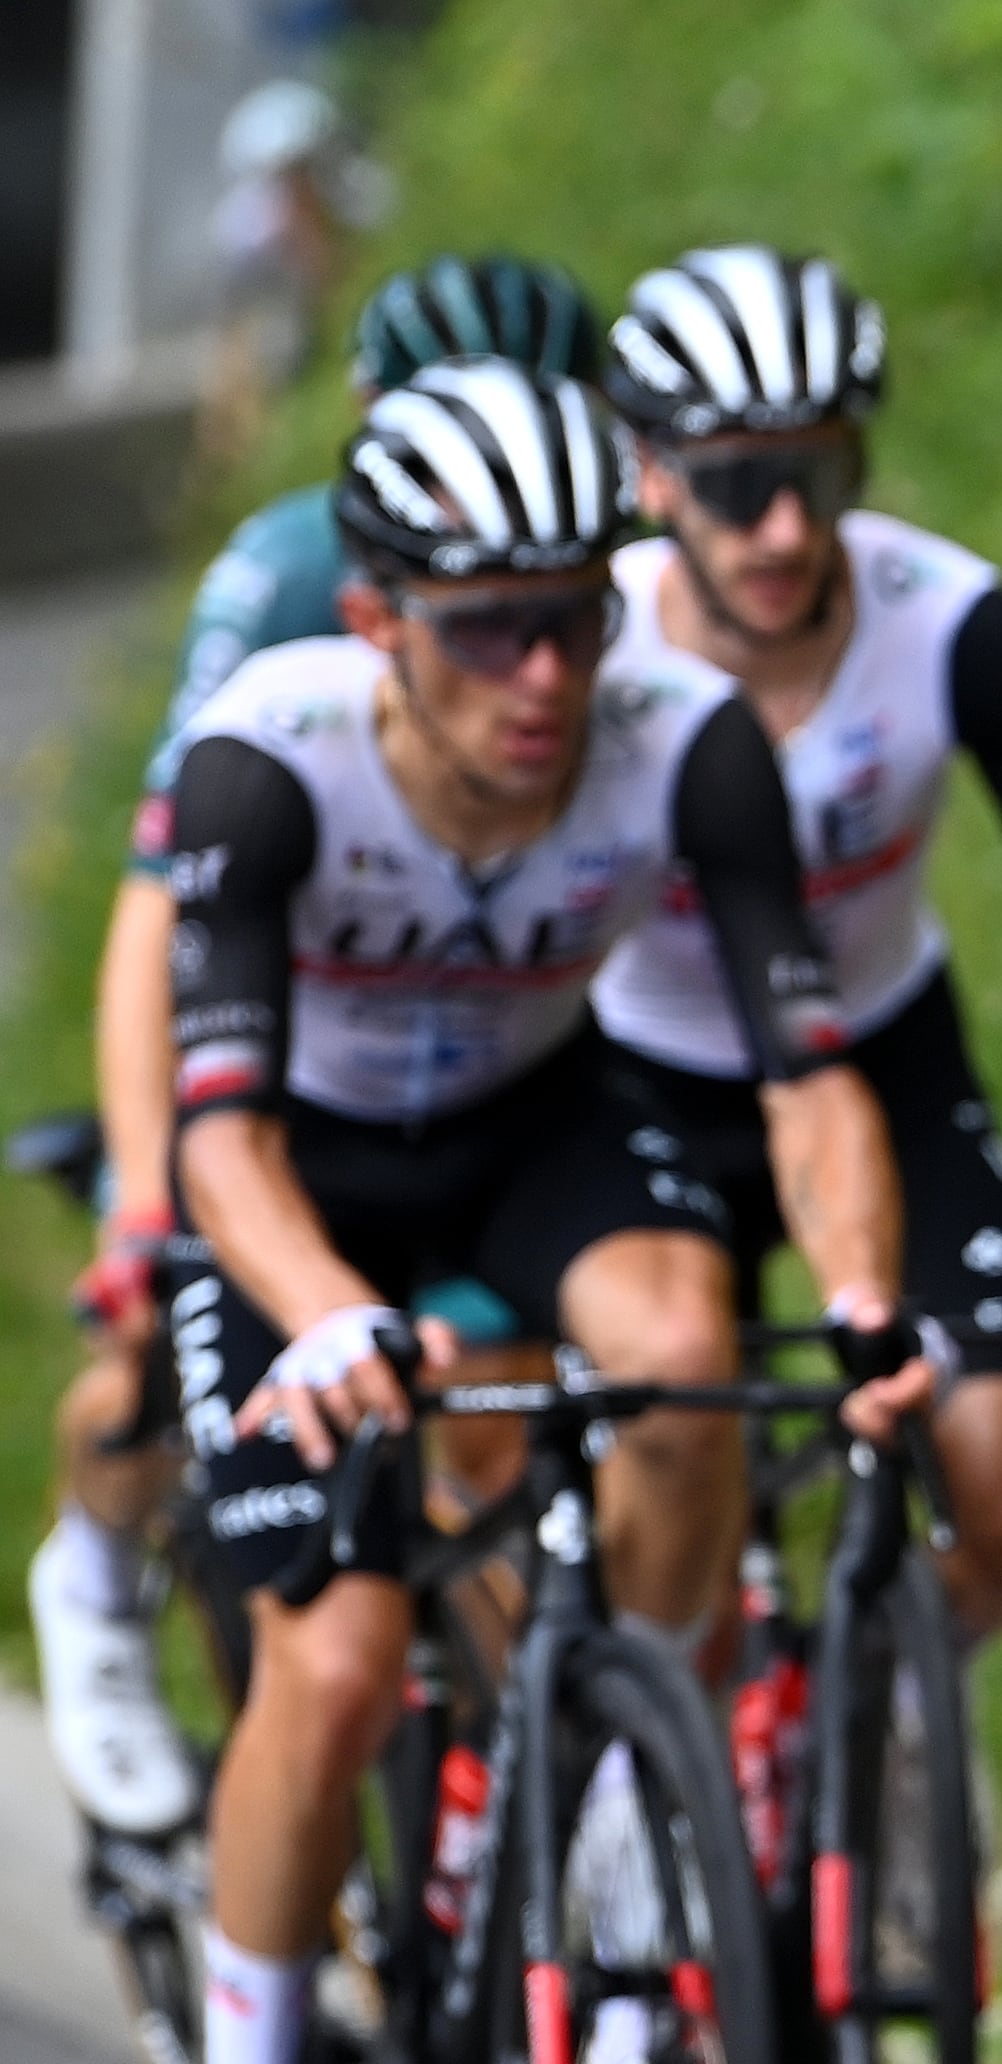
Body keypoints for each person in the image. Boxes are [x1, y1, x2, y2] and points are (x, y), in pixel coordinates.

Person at [161, 358, 918, 2064]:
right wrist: (324, 1314)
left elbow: (807, 1081)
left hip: (525, 1128)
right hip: (298, 1177)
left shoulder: (686, 743)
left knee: (677, 1352)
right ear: (380, 619)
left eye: (578, 613)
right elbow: (209, 1138)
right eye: (490, 625)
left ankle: (610, 1819)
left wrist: (857, 1307)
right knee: (328, 1664)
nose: (546, 672)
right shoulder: (269, 760)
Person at [35, 253, 599, 1843]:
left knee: (500, 1408)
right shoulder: (293, 569)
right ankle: (96, 1561)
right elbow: (166, 898)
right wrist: (149, 1187)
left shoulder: (586, 599)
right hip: (266, 1033)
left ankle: (479, 1812)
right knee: (155, 1330)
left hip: (466, 1054)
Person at [586, 245, 1002, 1642]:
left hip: (888, 1059)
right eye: (737, 485)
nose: (784, 532)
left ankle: (866, 1748)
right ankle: (647, 1751)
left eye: (819, 475)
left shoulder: (952, 622)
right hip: (646, 1078)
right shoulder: (594, 653)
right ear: (652, 478)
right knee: (663, 1475)